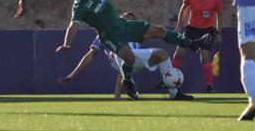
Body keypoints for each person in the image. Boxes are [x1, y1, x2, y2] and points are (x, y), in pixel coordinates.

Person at [56, 0, 214, 100]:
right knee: (130, 58)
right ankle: (127, 81)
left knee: (159, 30)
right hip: (112, 37)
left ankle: (194, 44)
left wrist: (123, 18)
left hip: (124, 26)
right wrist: (67, 43)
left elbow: (107, 13)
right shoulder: (79, 6)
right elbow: (73, 25)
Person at [57, 12, 194, 101]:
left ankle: (174, 93)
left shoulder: (136, 33)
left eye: (132, 20)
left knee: (162, 55)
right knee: (125, 63)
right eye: (125, 19)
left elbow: (156, 32)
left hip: (138, 61)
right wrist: (73, 74)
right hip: (120, 58)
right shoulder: (107, 33)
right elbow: (91, 54)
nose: (129, 22)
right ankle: (128, 93)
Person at [172, 0, 223, 93]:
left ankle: (210, 85)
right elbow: (184, 8)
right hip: (192, 29)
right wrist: (179, 25)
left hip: (207, 30)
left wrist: (219, 32)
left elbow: (220, 15)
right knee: (178, 53)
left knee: (204, 57)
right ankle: (172, 82)